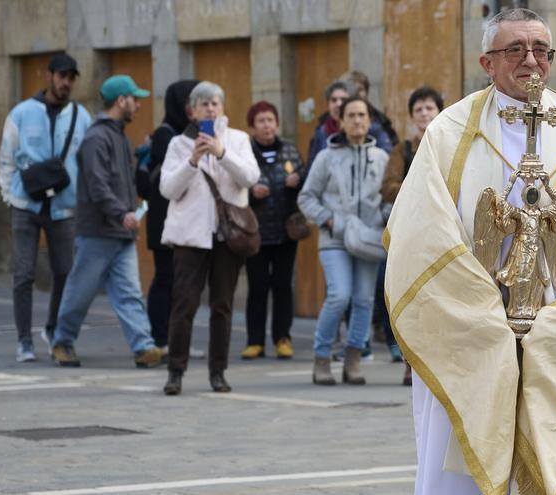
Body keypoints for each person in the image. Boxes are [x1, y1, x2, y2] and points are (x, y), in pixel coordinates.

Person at [383, 9, 556, 495]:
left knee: (555, 450)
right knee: (459, 464)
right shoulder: (449, 133)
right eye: (515, 49)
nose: (530, 61)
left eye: (541, 50)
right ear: (487, 63)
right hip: (471, 324)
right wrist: (485, 309)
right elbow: (424, 235)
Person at [51, 75, 166, 369]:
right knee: (80, 291)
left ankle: (143, 347)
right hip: (98, 232)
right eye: (134, 99)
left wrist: (131, 210)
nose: (138, 105)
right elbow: (97, 184)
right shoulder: (96, 139)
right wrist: (122, 213)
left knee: (130, 294)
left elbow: (119, 184)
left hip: (120, 232)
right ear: (121, 101)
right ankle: (62, 342)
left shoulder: (120, 138)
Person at [159, 81, 260, 395]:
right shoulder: (178, 144)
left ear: (222, 108)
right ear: (192, 110)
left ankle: (218, 372)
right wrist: (192, 161)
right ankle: (175, 371)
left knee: (222, 306)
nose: (210, 109)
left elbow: (251, 177)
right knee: (184, 305)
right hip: (190, 237)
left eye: (215, 103)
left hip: (227, 237)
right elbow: (167, 189)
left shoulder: (238, 140)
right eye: (204, 104)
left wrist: (222, 154)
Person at [0, 53, 92, 363]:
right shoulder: (22, 113)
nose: (66, 83)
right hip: (26, 204)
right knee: (24, 274)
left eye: (71, 78)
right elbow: (7, 157)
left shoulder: (81, 116)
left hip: (64, 208)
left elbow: (87, 161)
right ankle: (24, 340)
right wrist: (9, 195)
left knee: (65, 272)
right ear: (49, 76)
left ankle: (53, 330)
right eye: (62, 76)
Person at [298, 96, 388, 386]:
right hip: (335, 238)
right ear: (341, 121)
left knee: (364, 300)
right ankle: (321, 357)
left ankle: (353, 360)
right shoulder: (326, 157)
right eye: (351, 115)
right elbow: (306, 197)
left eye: (362, 115)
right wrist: (328, 220)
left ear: (370, 120)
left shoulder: (381, 158)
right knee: (339, 295)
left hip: (368, 239)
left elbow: (388, 198)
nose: (357, 120)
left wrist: (385, 217)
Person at [380, 85, 444, 385]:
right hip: (412, 231)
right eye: (418, 109)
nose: (424, 114)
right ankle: (410, 359)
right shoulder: (402, 150)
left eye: (429, 108)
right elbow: (388, 186)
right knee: (411, 296)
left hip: (443, 230)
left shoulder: (449, 145)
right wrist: (418, 189)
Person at [135, 79, 200, 354]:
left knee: (183, 284)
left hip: (185, 219)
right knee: (165, 279)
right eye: (191, 102)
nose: (195, 107)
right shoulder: (166, 136)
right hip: (164, 222)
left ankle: (177, 340)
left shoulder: (192, 132)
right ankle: (160, 339)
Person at [242, 101, 305, 360]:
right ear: (252, 127)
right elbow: (234, 185)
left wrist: (297, 181)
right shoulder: (245, 151)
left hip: (285, 231)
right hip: (255, 232)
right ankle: (255, 341)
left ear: (277, 124)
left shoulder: (289, 149)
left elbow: (304, 176)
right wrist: (251, 194)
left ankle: (283, 338)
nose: (267, 125)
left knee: (283, 286)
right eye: (261, 121)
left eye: (270, 120)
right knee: (257, 287)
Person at [307, 80, 393, 167]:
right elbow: (312, 165)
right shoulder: (322, 132)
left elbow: (387, 162)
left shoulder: (371, 129)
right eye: (334, 100)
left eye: (343, 99)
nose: (338, 104)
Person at [342, 70, 399, 146]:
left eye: (360, 89)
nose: (356, 93)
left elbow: (390, 147)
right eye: (352, 90)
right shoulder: (329, 122)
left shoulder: (381, 120)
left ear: (367, 92)